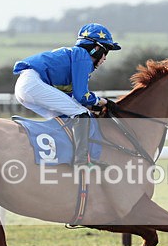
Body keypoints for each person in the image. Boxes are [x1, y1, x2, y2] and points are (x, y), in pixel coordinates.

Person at [13, 23, 121, 166]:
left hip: (26, 86)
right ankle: (81, 162)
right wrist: (104, 102)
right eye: (105, 52)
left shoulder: (77, 57)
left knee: (67, 117)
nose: (105, 58)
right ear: (96, 49)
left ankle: (74, 156)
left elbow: (74, 99)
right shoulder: (83, 57)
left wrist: (93, 106)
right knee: (81, 114)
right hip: (32, 84)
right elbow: (82, 96)